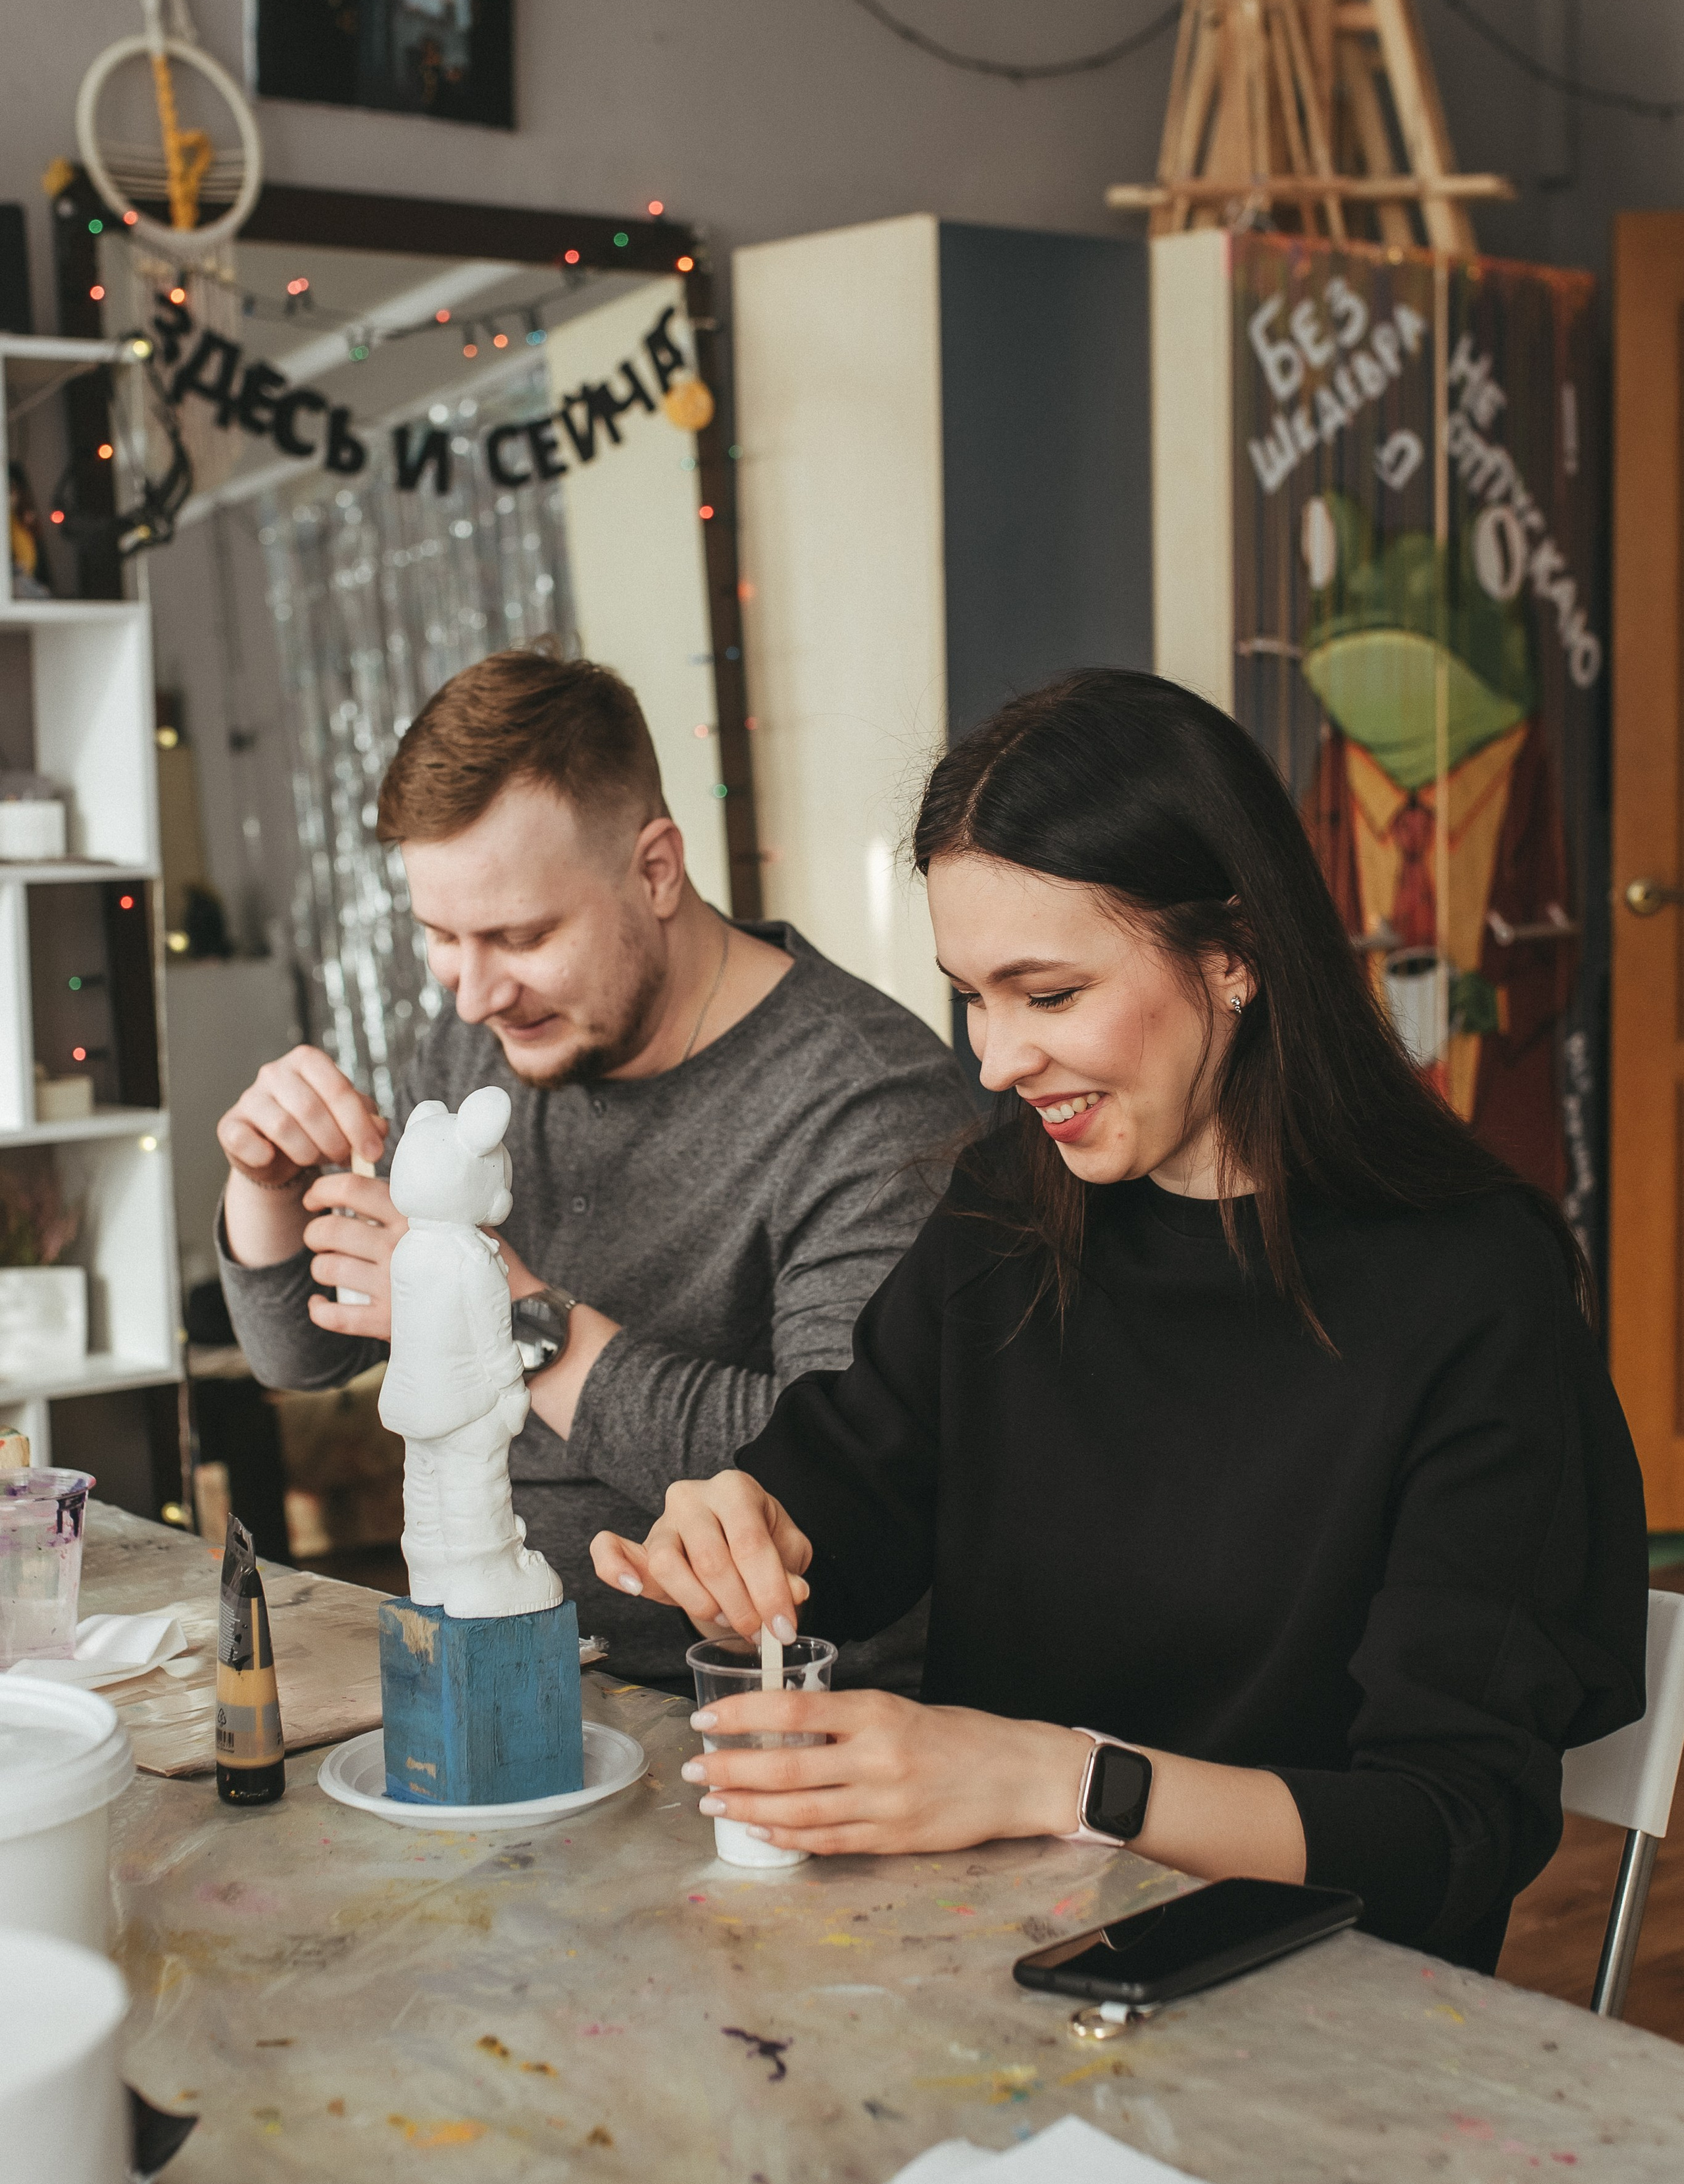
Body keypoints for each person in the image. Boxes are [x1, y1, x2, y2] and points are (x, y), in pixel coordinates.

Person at [592, 668, 1648, 1972]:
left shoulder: (1469, 1293)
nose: (990, 1060)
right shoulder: (1009, 1210)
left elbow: (1440, 1834)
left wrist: (1060, 1781)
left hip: (1317, 2011)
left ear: (1236, 953)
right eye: (969, 996)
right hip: (999, 1960)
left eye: (1046, 996)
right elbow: (842, 1502)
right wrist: (738, 1528)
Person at [215, 649, 968, 1686]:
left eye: (520, 935)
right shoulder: (488, 1039)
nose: (474, 992)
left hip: (748, 1713)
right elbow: (300, 1356)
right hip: (482, 1669)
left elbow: (844, 1477)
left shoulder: (866, 1101)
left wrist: (516, 1322)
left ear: (656, 868)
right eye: (441, 936)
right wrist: (263, 1182)